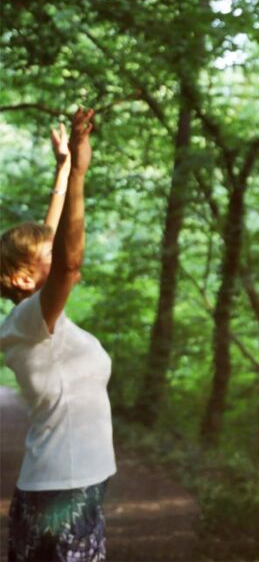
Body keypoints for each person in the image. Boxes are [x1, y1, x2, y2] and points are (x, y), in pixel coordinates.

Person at [0, 108, 114, 562]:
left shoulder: (35, 319)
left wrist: (65, 167)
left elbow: (52, 243)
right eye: (48, 253)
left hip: (70, 484)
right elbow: (67, 260)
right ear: (25, 280)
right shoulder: (32, 322)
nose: (60, 249)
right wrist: (83, 174)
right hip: (62, 492)